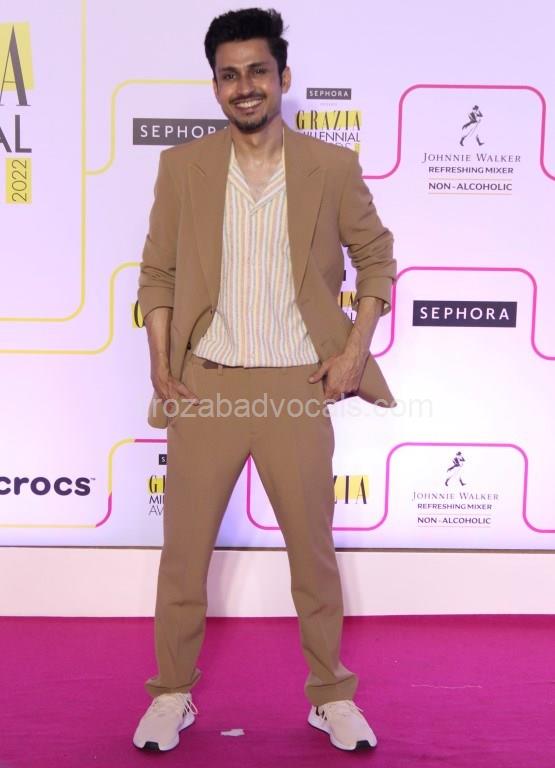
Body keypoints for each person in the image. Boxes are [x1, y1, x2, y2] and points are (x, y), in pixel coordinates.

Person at [133, 7, 397, 754]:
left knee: (312, 554)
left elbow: (376, 258)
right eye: (229, 74)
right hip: (206, 384)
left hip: (295, 384)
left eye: (257, 71)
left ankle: (331, 696)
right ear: (215, 85)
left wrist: (353, 352)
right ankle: (171, 693)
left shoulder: (330, 167)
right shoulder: (182, 167)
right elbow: (158, 273)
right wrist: (160, 365)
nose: (243, 86)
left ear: (283, 77)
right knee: (184, 556)